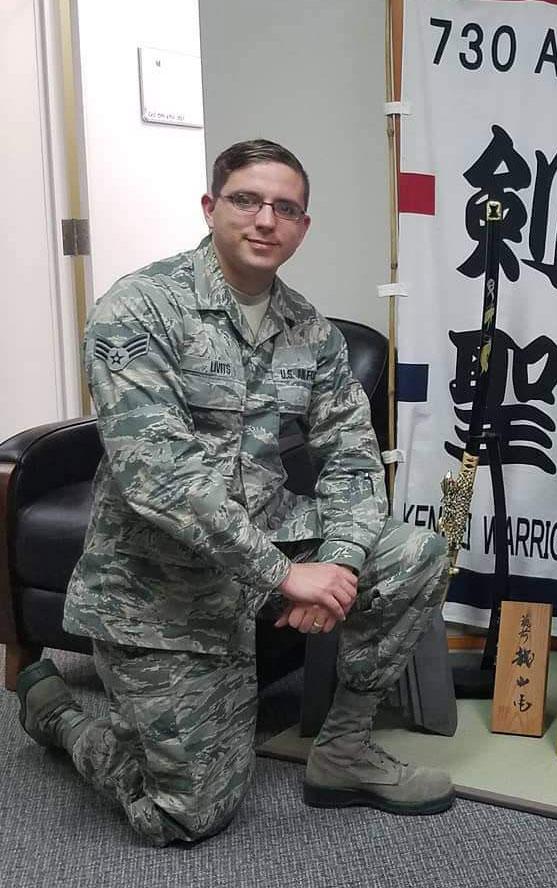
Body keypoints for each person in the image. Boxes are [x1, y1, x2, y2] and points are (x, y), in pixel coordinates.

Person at [16, 139, 454, 845]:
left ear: (303, 228)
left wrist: (338, 563)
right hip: (161, 586)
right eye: (247, 200)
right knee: (185, 817)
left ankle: (343, 750)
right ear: (211, 207)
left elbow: (352, 456)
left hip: (271, 543)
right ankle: (58, 715)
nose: (265, 221)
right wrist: (287, 576)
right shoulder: (139, 309)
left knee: (415, 551)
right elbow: (161, 478)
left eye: (286, 208)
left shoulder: (309, 330)